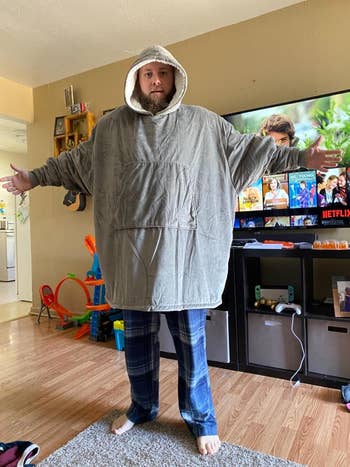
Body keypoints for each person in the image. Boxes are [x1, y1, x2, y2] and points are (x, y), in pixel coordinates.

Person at [0, 45, 342, 456]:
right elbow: (73, 163)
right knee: (139, 346)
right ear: (136, 81)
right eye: (148, 75)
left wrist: (303, 155)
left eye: (163, 73)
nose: (156, 81)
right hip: (132, 259)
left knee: (192, 351)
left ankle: (201, 419)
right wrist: (33, 178)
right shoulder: (110, 131)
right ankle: (142, 407)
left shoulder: (205, 125)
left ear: (176, 77)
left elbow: (254, 152)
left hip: (186, 262)